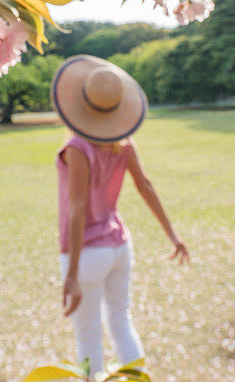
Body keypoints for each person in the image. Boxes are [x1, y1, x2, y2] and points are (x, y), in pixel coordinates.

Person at [50, 54, 189, 377]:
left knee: (87, 335)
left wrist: (70, 272)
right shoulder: (123, 142)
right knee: (121, 321)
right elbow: (146, 187)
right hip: (119, 246)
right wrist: (174, 236)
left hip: (86, 253)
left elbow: (77, 209)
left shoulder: (76, 146)